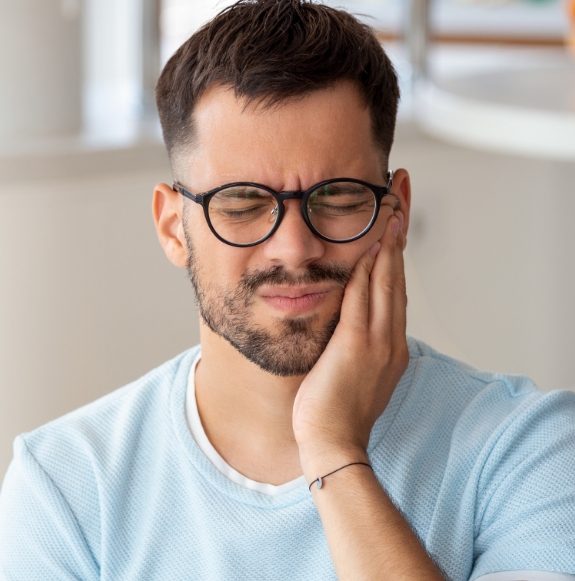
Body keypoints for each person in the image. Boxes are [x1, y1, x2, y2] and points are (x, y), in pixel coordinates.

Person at [1, 0, 574, 579]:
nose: (295, 248)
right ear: (174, 228)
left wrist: (332, 451)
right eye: (244, 204)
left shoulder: (526, 448)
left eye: (340, 198)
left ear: (395, 213)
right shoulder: (66, 488)